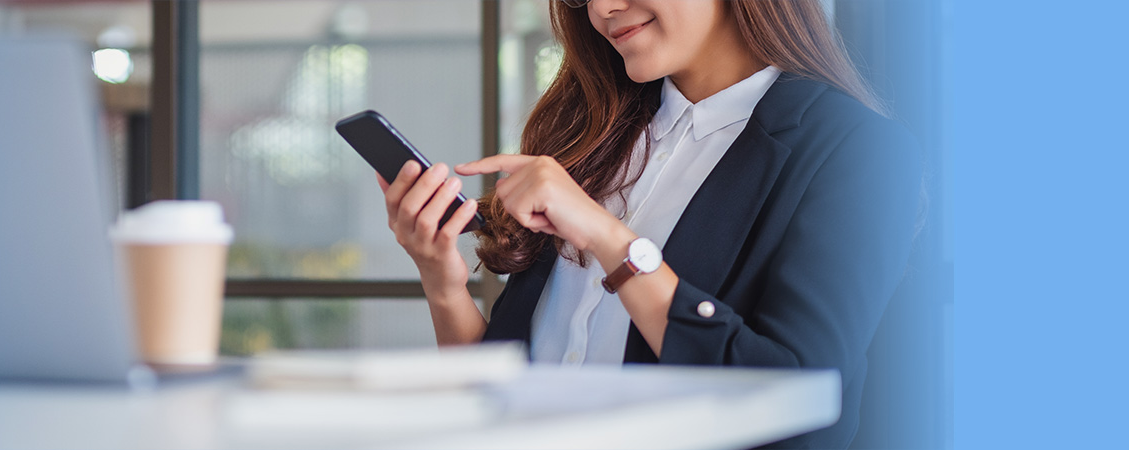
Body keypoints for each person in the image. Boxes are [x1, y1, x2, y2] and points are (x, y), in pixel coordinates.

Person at [375, 0, 922, 448]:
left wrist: (608, 237)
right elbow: (509, 397)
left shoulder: (858, 150)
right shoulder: (589, 137)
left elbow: (800, 397)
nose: (602, 9)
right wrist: (441, 279)